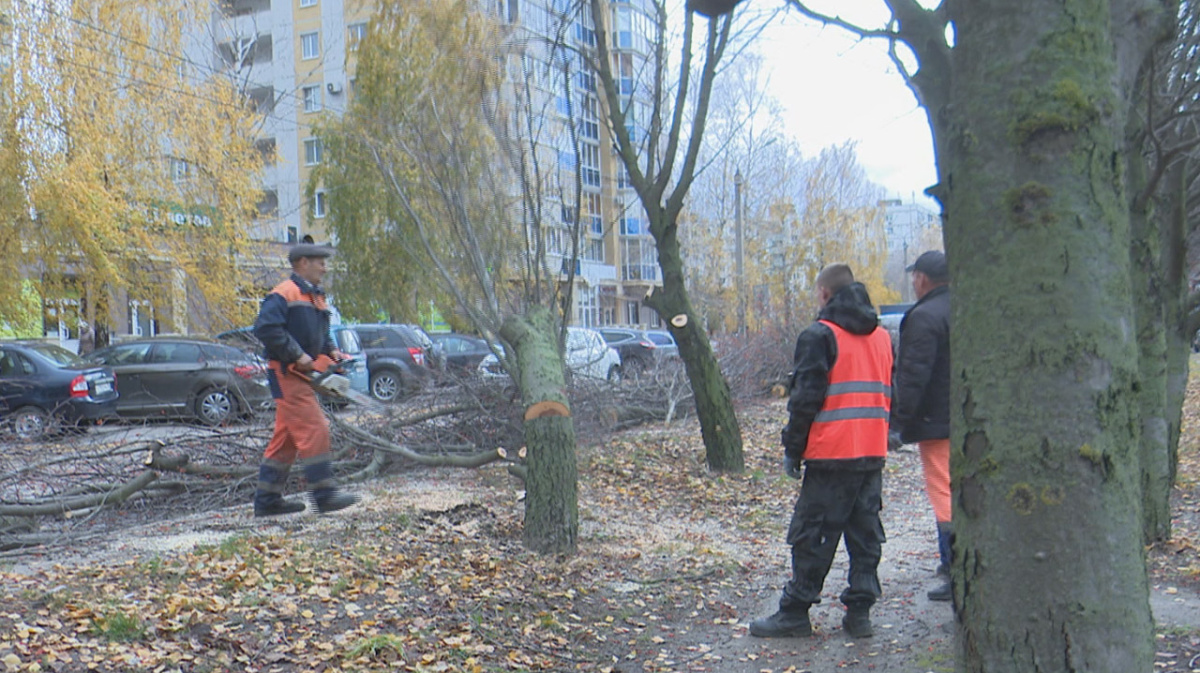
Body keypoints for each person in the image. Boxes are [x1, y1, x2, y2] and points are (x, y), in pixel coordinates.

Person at [750, 263, 893, 640]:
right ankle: (859, 614)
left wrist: (792, 450)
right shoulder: (881, 336)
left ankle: (795, 611)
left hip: (832, 453)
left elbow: (805, 400)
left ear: (825, 294)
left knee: (812, 535)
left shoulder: (819, 335)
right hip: (872, 449)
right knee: (865, 535)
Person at [251, 243, 359, 517]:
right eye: (319, 262)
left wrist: (331, 352)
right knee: (316, 428)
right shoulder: (283, 294)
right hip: (287, 372)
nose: (324, 268)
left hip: (302, 373)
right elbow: (265, 329)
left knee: (285, 441)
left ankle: (267, 500)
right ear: (302, 263)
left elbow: (322, 334)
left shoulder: (317, 298)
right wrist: (297, 354)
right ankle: (324, 495)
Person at [890, 250, 952, 601]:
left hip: (937, 421)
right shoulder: (969, 307)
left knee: (944, 493)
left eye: (914, 276)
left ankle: (955, 570)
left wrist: (898, 424)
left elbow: (913, 376)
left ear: (922, 279)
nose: (913, 282)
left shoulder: (924, 316)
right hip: (969, 418)